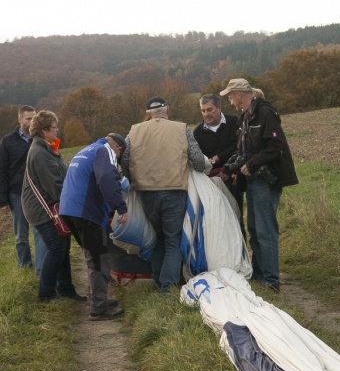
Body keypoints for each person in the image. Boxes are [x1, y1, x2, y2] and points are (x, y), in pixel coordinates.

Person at [120, 97, 208, 293]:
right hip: (174, 191)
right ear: (167, 111)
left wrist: (133, 177)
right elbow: (198, 160)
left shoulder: (134, 131)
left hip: (145, 193)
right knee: (172, 239)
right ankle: (168, 287)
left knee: (158, 236)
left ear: (149, 115)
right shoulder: (182, 129)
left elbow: (124, 159)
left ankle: (158, 279)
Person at [220, 79, 299, 293]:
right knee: (254, 228)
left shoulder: (264, 113)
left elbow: (276, 146)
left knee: (265, 229)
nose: (228, 99)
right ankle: (258, 274)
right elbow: (243, 150)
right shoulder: (245, 118)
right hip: (253, 180)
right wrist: (229, 167)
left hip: (267, 178)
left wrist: (251, 164)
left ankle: (272, 280)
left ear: (240, 94)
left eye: (230, 95)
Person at [59, 133, 128, 320]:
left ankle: (98, 299)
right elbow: (106, 177)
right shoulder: (105, 151)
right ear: (119, 150)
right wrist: (120, 207)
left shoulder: (87, 149)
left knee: (92, 256)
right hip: (85, 212)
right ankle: (98, 309)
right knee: (99, 259)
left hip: (68, 209)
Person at [21, 110, 85, 302]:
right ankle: (46, 293)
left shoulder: (46, 149)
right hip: (41, 210)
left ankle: (65, 288)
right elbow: (55, 187)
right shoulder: (40, 153)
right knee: (56, 248)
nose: (57, 131)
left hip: (47, 208)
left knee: (62, 246)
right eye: (54, 128)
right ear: (44, 130)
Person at [0, 105, 46, 277]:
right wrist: (2, 200)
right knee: (21, 236)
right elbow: (0, 171)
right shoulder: (7, 142)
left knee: (40, 232)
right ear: (19, 120)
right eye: (28, 118)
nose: (31, 121)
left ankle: (41, 270)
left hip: (38, 193)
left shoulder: (40, 139)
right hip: (17, 194)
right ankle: (25, 268)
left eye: (34, 118)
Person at [192, 93, 245, 235]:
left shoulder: (235, 122)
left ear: (219, 107)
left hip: (233, 178)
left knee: (236, 217)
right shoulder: (197, 132)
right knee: (217, 221)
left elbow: (239, 146)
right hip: (211, 182)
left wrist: (217, 158)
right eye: (203, 111)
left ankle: (241, 254)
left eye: (209, 110)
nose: (206, 114)